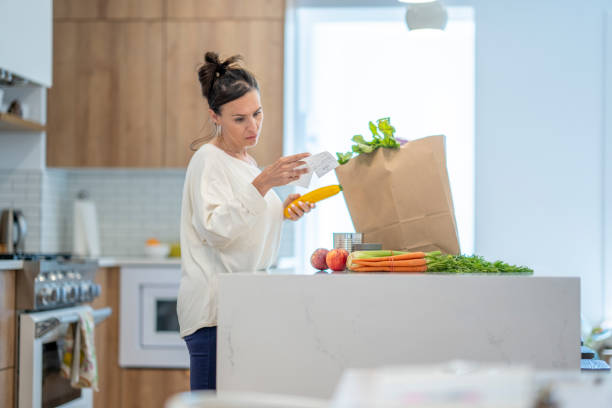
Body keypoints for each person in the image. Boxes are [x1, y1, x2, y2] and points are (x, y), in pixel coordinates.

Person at [178, 51, 315, 391]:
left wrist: (282, 210)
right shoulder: (208, 159)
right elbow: (216, 229)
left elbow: (244, 222)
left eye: (257, 113)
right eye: (240, 119)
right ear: (216, 117)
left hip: (241, 307)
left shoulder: (246, 163)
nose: (253, 126)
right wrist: (265, 183)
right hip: (214, 314)